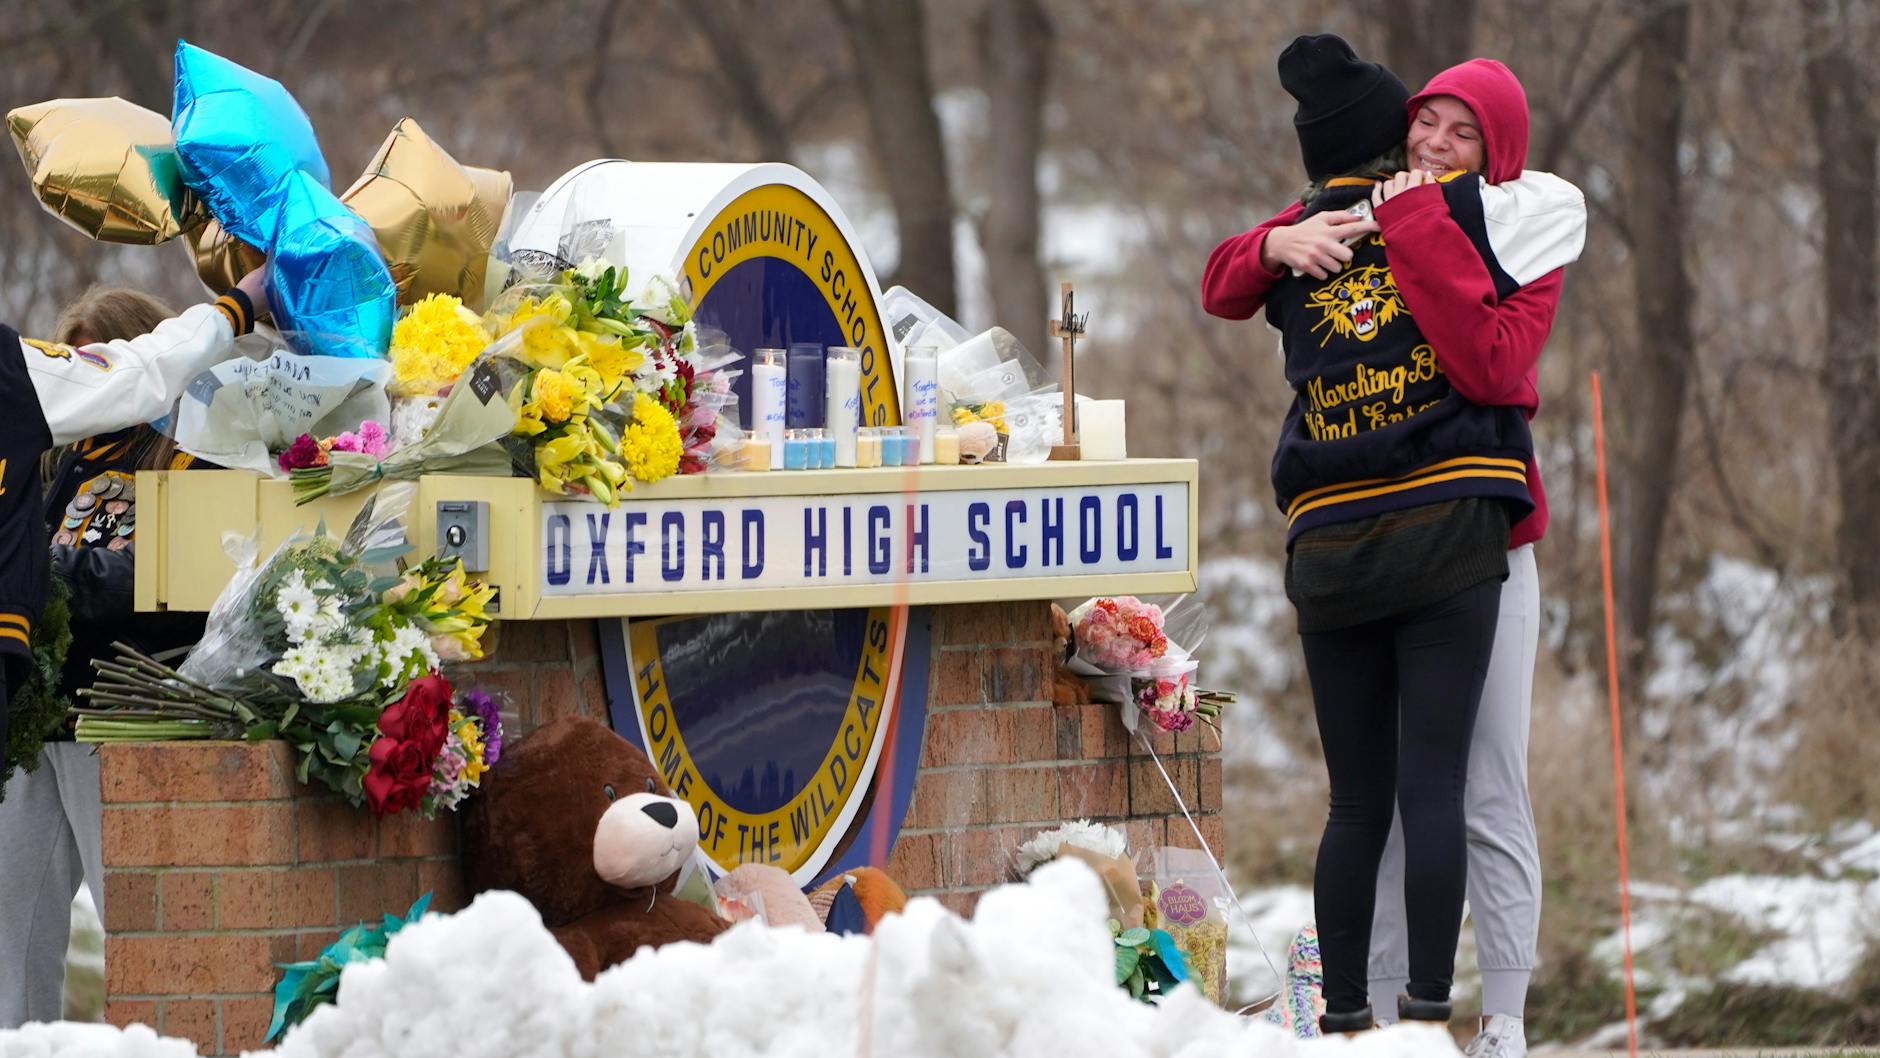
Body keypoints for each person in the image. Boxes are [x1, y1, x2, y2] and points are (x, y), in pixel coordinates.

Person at [1203, 44, 1576, 1055]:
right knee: (1383, 800)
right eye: (1428, 122)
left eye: (1464, 135)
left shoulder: (1515, 228)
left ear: (1495, 155)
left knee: (1482, 787)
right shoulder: (1357, 205)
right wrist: (1276, 247)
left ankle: (1501, 1018)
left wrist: (1416, 226)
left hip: (1486, 542)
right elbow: (1224, 277)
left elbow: (1488, 363)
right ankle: (1363, 1018)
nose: (1436, 144)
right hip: (1368, 532)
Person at [0, 272, 262, 1028]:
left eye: (101, 360)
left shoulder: (199, 452)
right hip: (39, 719)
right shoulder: (58, 457)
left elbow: (191, 581)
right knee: (12, 932)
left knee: (136, 925)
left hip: (120, 714)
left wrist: (56, 573)